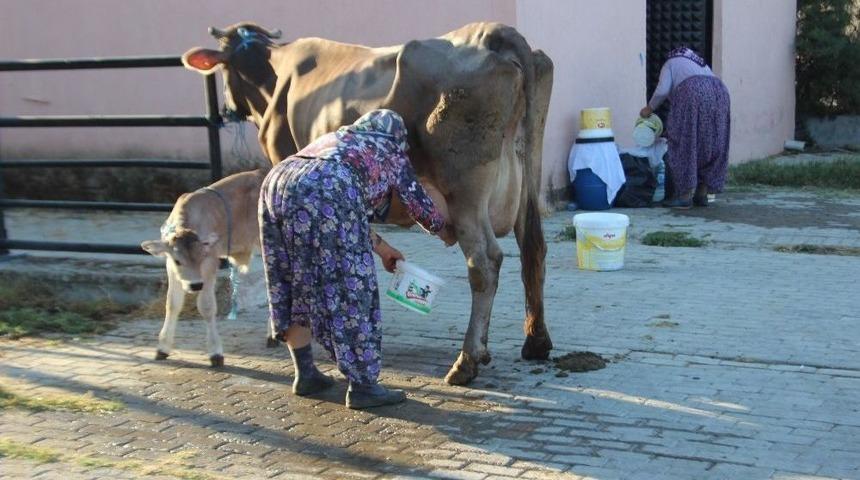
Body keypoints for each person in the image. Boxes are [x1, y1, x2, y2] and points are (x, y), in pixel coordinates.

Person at [259, 109, 455, 409]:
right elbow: (424, 212)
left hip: (277, 182)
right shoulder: (391, 149)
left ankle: (306, 373)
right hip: (329, 187)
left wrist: (383, 249)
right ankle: (363, 386)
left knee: (291, 278)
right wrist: (443, 221)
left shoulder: (338, 139)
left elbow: (338, 216)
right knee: (352, 288)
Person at [640, 46, 731, 209]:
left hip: (692, 93)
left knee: (684, 142)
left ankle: (684, 196)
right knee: (711, 143)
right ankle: (702, 194)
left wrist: (649, 109)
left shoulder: (670, 63)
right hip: (721, 94)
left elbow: (662, 91)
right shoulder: (700, 63)